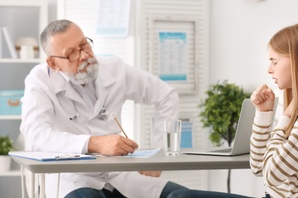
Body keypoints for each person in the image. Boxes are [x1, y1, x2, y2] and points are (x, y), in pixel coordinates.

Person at [167, 23, 298, 198]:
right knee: (176, 194)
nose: (269, 69)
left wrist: (285, 117)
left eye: (275, 61)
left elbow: (271, 175)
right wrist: (264, 114)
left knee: (180, 197)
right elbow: (258, 167)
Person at [20, 19, 188, 198]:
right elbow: (35, 134)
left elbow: (166, 96)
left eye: (84, 45)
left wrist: (159, 156)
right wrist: (93, 143)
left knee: (183, 196)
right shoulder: (39, 81)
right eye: (71, 54)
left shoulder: (114, 68)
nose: (84, 55)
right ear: (54, 64)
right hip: (74, 178)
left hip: (119, 173)